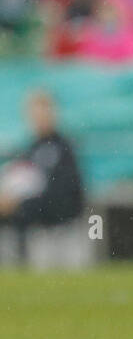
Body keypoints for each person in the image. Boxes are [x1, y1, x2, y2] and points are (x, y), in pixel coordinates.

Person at [0, 89, 86, 268]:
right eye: (34, 114)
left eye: (43, 112)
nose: (39, 118)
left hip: (65, 227)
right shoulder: (30, 150)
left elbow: (65, 190)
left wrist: (21, 204)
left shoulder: (64, 147)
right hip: (40, 228)